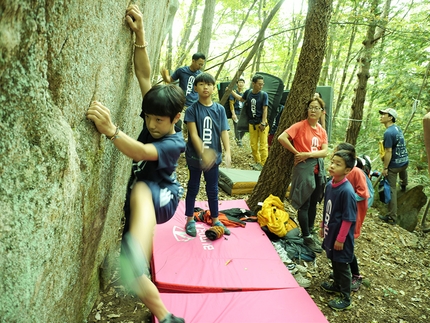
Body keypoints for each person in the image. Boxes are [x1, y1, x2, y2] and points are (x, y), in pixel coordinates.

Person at [86, 5, 184, 323]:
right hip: (143, 202)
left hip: (164, 195)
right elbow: (144, 74)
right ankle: (167, 316)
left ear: (175, 119)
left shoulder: (173, 141)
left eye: (160, 120)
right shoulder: (155, 111)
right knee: (137, 275)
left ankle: (135, 252)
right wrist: (140, 33)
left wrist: (111, 130)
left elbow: (141, 152)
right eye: (149, 117)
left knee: (141, 191)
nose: (153, 124)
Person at [183, 72, 232, 237]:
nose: (205, 87)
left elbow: (224, 131)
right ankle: (190, 219)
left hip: (214, 158)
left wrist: (227, 151)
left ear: (213, 87)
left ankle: (215, 219)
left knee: (212, 189)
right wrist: (203, 152)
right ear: (195, 88)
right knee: (193, 187)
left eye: (209, 84)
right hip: (194, 157)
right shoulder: (191, 110)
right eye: (202, 84)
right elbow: (194, 134)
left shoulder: (219, 109)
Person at [278, 97, 328, 253]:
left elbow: (325, 151)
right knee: (304, 204)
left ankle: (310, 231)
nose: (313, 110)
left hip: (318, 170)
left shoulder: (321, 130)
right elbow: (282, 138)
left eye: (317, 108)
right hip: (303, 169)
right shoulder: (300, 126)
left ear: (322, 112)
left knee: (314, 203)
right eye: (311, 107)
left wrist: (308, 154)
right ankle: (306, 236)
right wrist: (297, 153)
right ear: (307, 110)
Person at [319, 149, 357, 311]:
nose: (333, 166)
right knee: (334, 260)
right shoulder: (330, 184)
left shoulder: (347, 191)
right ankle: (336, 284)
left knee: (342, 266)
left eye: (338, 164)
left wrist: (341, 239)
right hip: (331, 231)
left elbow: (349, 218)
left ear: (347, 170)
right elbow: (327, 208)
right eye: (332, 162)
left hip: (341, 237)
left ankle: (346, 297)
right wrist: (323, 225)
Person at [333, 143, 369, 292]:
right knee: (342, 245)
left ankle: (355, 275)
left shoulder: (357, 173)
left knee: (348, 246)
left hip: (354, 215)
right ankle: (341, 271)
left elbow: (363, 193)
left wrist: (346, 198)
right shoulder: (339, 174)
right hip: (343, 215)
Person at [231, 74, 269, 171]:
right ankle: (257, 162)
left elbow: (265, 109)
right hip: (252, 123)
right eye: (259, 84)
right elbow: (241, 99)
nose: (261, 86)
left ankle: (264, 164)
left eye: (262, 84)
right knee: (253, 144)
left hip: (262, 124)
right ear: (253, 84)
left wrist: (263, 123)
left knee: (263, 145)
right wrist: (231, 91)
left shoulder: (263, 95)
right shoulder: (248, 93)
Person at [378, 108, 409, 224]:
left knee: (391, 189)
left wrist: (385, 168)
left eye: (384, 114)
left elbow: (389, 151)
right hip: (404, 162)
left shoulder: (388, 132)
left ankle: (392, 216)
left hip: (395, 166)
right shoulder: (397, 128)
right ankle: (404, 183)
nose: (381, 116)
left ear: (390, 117)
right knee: (403, 169)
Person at [161, 52, 206, 130]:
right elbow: (170, 80)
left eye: (202, 65)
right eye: (199, 64)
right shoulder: (182, 71)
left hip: (194, 104)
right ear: (193, 61)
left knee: (192, 128)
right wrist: (165, 75)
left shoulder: (200, 75)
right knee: (178, 124)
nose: (200, 66)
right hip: (182, 103)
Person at [229, 78, 245, 147]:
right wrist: (233, 114)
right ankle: (239, 143)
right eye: (239, 82)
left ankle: (238, 138)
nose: (241, 84)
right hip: (236, 112)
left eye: (242, 82)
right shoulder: (233, 92)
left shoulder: (243, 94)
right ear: (236, 84)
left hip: (242, 113)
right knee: (237, 127)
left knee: (244, 128)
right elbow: (231, 103)